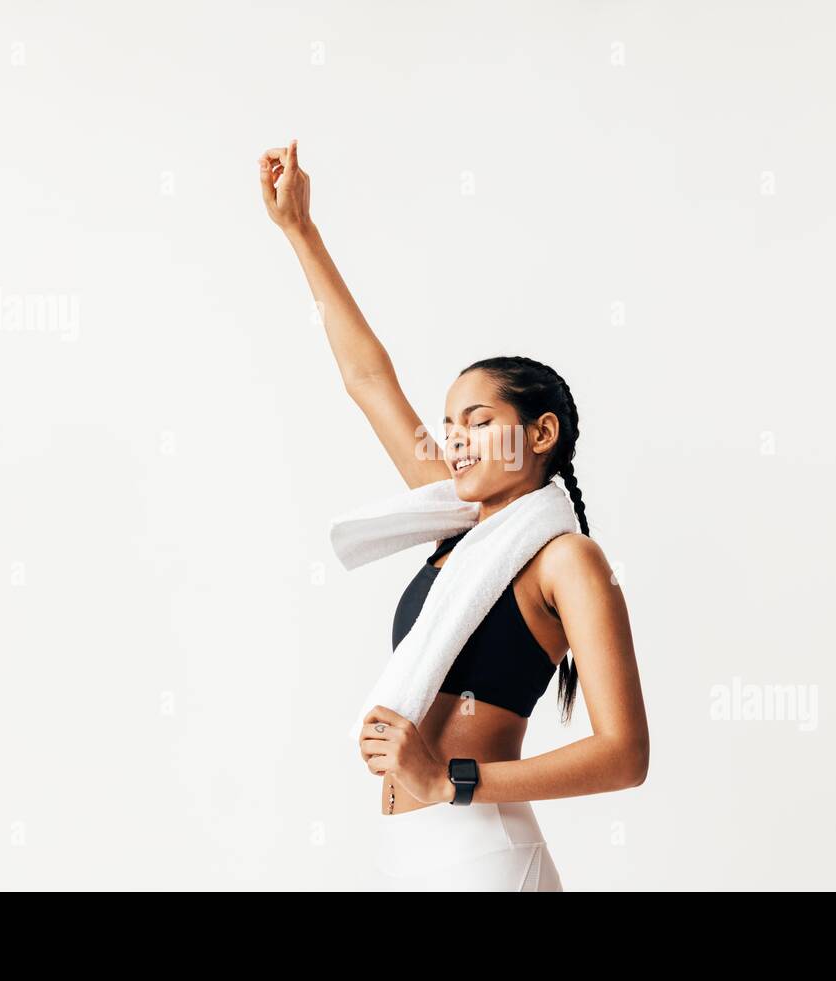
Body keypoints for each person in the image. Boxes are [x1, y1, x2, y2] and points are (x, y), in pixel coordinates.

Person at [259, 140, 650, 891]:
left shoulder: (566, 559)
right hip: (410, 854)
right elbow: (369, 380)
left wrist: (452, 779)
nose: (456, 438)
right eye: (450, 423)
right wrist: (300, 232)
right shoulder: (462, 525)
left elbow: (626, 753)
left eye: (478, 418)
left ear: (541, 434)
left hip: (484, 851)